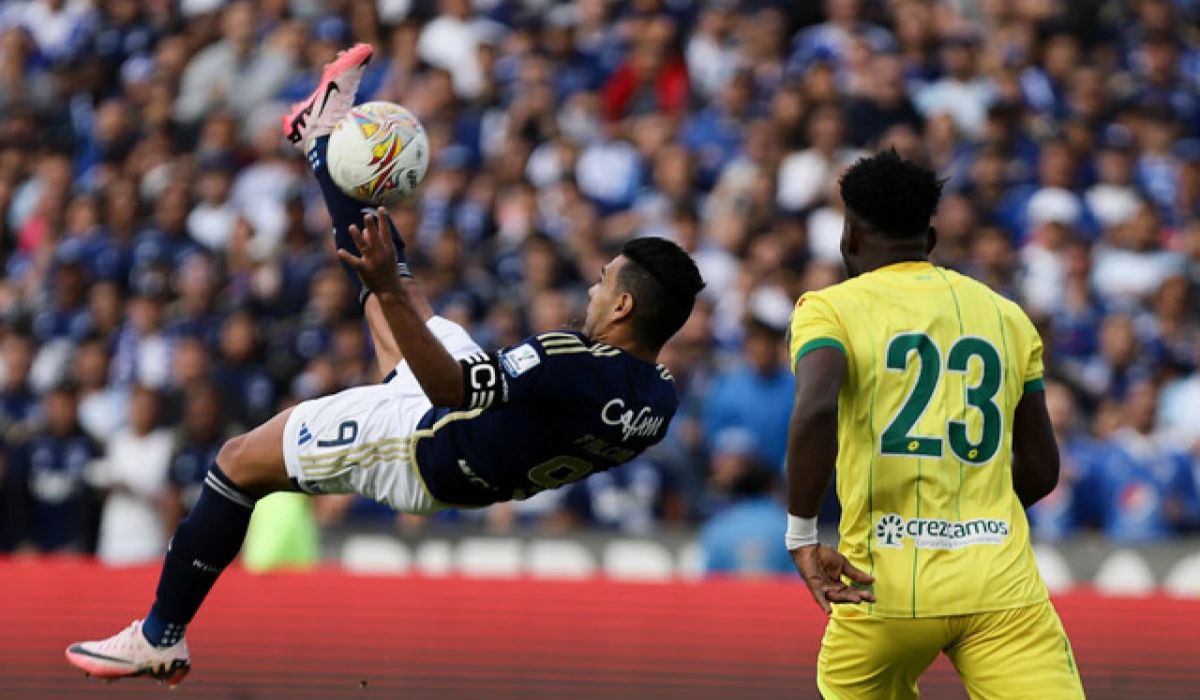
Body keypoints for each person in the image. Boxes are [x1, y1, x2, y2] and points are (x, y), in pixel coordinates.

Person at [65, 44, 704, 686]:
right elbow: (505, 389)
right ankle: (320, 137)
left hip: (416, 446)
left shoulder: (568, 358)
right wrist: (394, 296)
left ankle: (160, 637)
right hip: (472, 453)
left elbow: (452, 387)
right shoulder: (661, 400)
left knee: (237, 463)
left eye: (602, 282)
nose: (590, 291)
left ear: (622, 305)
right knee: (394, 281)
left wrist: (394, 301)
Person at [783, 149, 1084, 699]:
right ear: (931, 236)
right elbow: (1041, 470)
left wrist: (802, 533)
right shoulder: (1007, 317)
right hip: (1001, 586)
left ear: (849, 235)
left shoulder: (828, 310)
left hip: (881, 588)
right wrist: (972, 514)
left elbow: (817, 404)